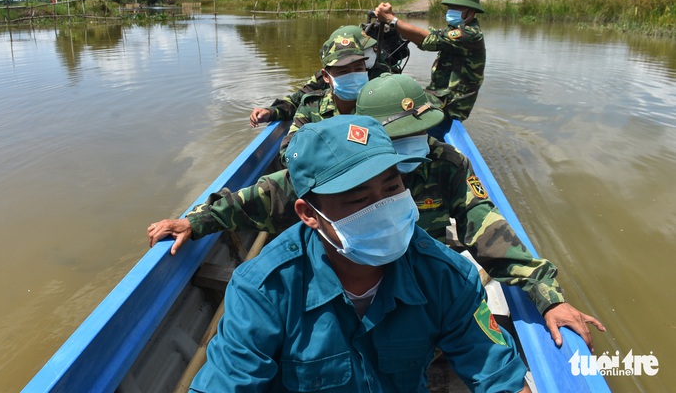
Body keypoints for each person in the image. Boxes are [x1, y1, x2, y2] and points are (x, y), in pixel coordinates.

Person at [148, 73, 606, 352]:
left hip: (424, 276)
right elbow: (263, 196)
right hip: (348, 277)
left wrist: (547, 294)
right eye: (401, 135)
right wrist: (196, 220)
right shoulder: (335, 173)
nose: (418, 146)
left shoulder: (444, 163)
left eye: (423, 131)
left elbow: (486, 227)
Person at [188, 115, 531, 393]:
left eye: (392, 188)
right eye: (358, 199)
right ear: (309, 214)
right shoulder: (264, 289)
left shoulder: (445, 276)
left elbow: (499, 376)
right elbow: (228, 381)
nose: (383, 207)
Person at [375, 0, 486, 136]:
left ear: (471, 11)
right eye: (450, 6)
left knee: (400, 103)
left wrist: (392, 20)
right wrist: (396, 24)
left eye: (457, 7)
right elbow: (430, 34)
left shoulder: (470, 34)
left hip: (451, 102)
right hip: (440, 94)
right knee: (401, 91)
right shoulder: (455, 28)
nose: (451, 10)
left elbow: (429, 39)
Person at [248, 24, 395, 128]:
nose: (371, 52)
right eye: (342, 70)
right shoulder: (325, 78)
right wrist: (272, 111)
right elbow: (297, 100)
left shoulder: (380, 75)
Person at [276, 28, 369, 162]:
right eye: (344, 71)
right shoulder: (311, 107)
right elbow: (289, 153)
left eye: (359, 69)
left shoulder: (377, 103)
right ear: (326, 76)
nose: (353, 76)